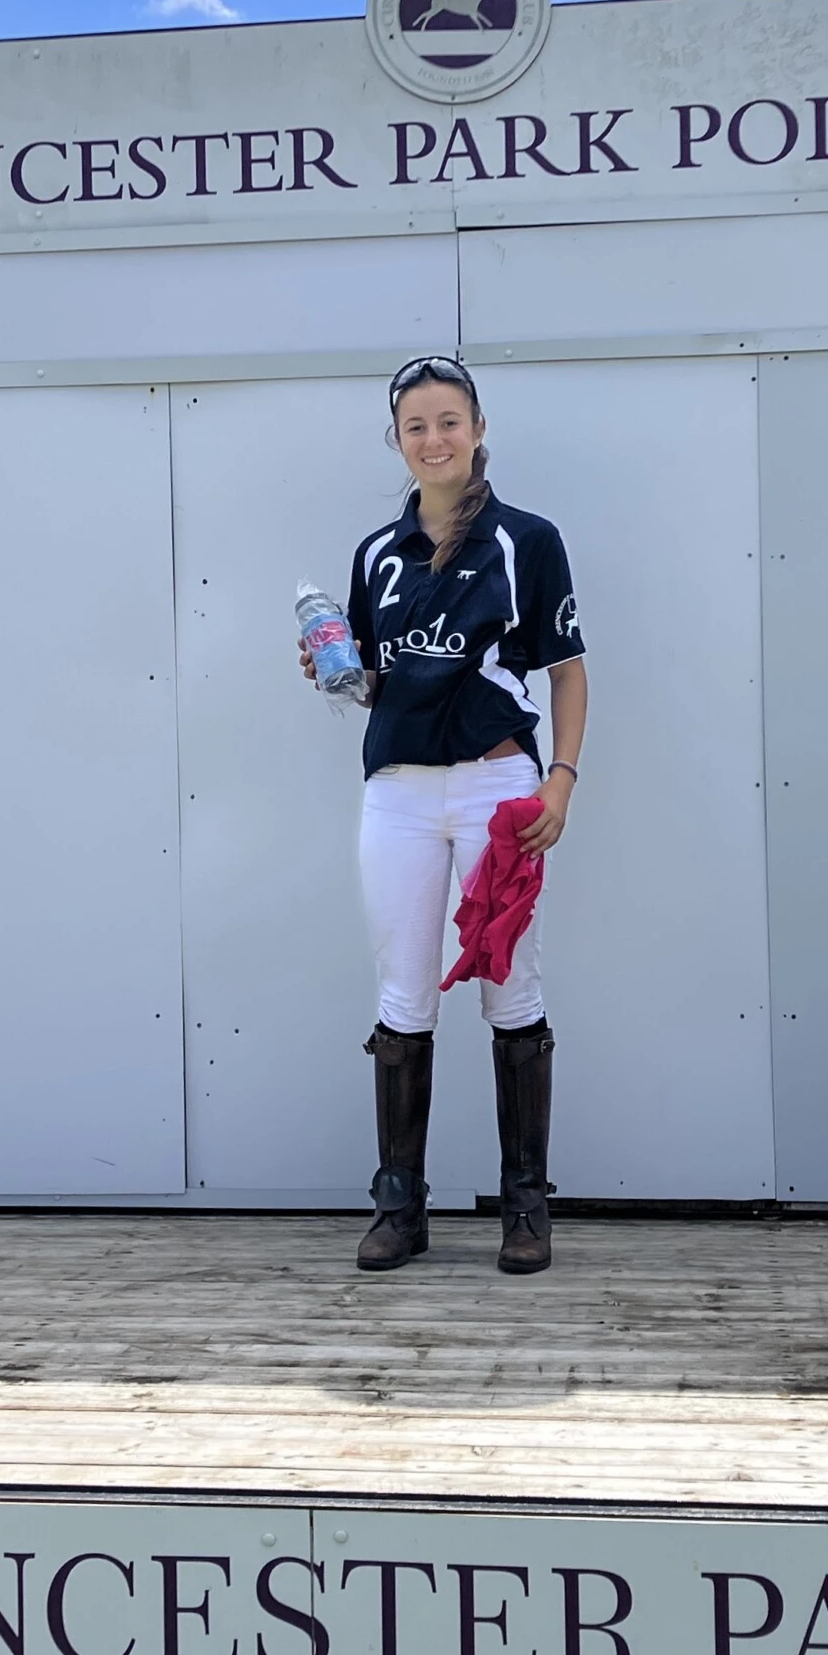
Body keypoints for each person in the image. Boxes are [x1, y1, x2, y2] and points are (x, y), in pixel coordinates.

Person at [298, 355, 589, 1274]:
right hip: (400, 790)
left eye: (450, 421)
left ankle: (526, 1206)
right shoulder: (375, 555)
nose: (435, 439)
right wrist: (339, 670)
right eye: (417, 425)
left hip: (500, 790)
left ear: (479, 428)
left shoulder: (527, 541)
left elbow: (567, 667)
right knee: (404, 991)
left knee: (511, 984)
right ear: (397, 440)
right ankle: (400, 1205)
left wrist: (562, 781)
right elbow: (378, 670)